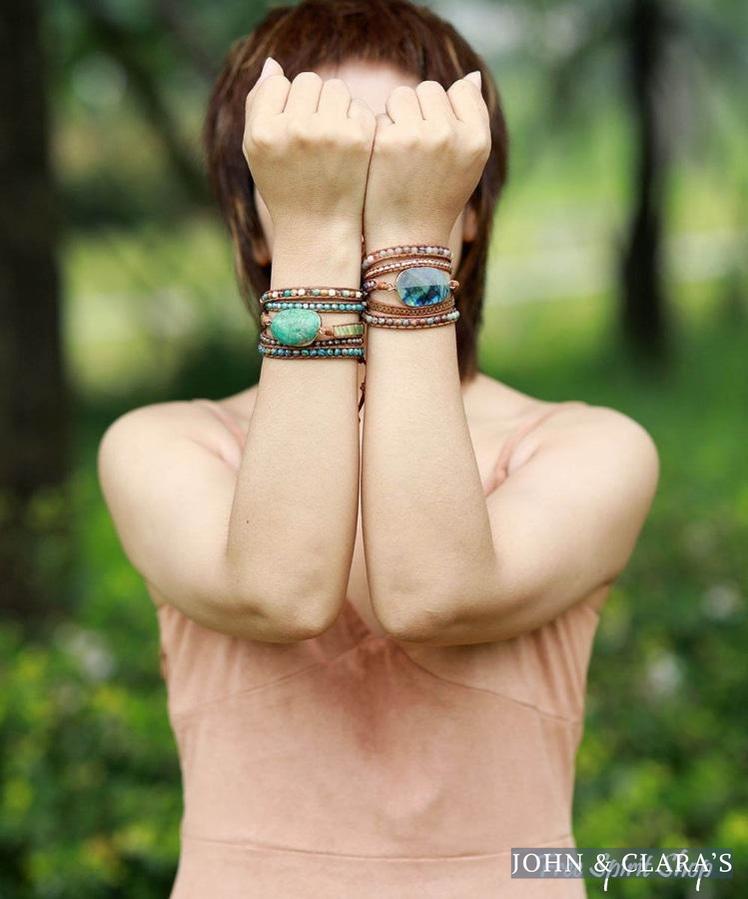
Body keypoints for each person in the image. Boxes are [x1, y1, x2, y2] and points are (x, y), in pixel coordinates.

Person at [97, 1, 659, 895]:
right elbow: (280, 589)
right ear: (251, 224)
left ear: (467, 211)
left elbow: (432, 590)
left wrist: (390, 246)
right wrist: (320, 240)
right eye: (308, 173)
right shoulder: (165, 444)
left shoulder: (587, 447)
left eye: (399, 167)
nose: (353, 195)